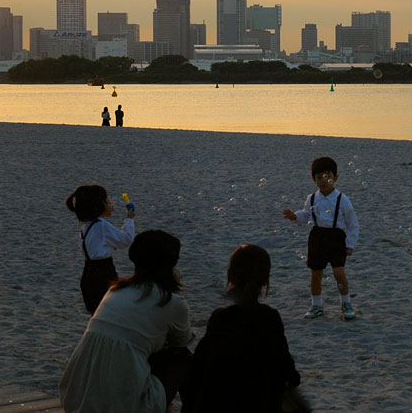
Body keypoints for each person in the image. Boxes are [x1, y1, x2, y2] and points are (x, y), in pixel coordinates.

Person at [59, 230, 193, 413]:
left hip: (75, 396)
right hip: (123, 405)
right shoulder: (172, 302)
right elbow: (181, 342)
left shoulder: (114, 291)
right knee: (182, 357)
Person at [181, 244, 304, 412]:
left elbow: (198, 369)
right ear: (265, 280)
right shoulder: (269, 317)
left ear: (230, 277)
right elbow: (289, 372)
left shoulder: (220, 318)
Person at [282, 156, 360, 320]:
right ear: (313, 179)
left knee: (339, 273)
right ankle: (316, 305)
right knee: (316, 275)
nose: (323, 181)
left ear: (335, 178)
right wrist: (294, 216)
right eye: (319, 177)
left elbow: (353, 223)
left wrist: (350, 244)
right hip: (317, 237)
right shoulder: (312, 198)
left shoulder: (342, 199)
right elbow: (306, 215)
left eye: (327, 177)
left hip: (337, 238)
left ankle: (345, 303)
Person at [67, 185, 136, 314]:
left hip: (88, 273)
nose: (111, 204)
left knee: (96, 312)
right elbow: (125, 240)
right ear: (98, 206)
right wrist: (129, 219)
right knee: (109, 311)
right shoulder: (102, 225)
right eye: (108, 201)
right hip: (103, 272)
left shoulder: (85, 226)